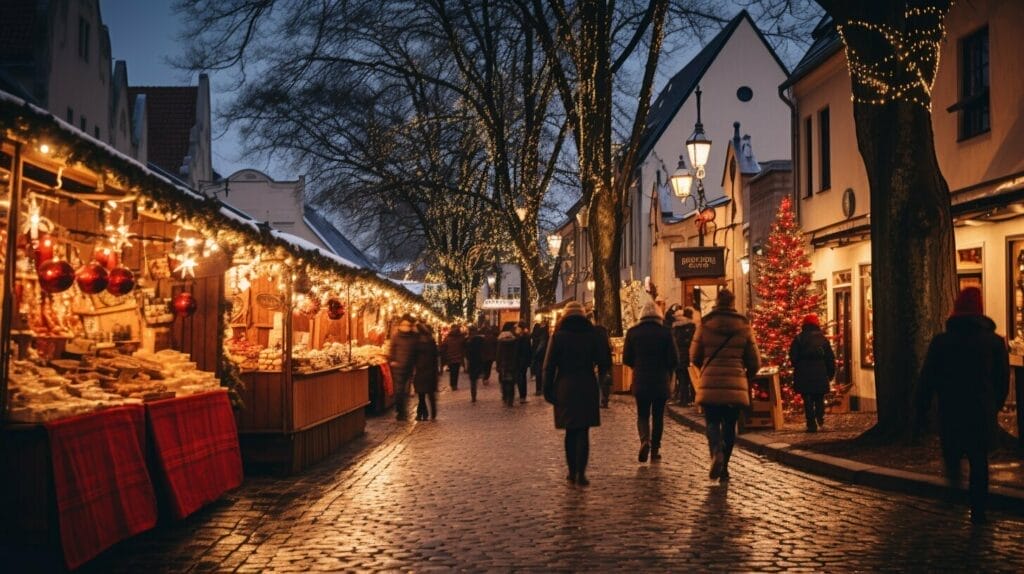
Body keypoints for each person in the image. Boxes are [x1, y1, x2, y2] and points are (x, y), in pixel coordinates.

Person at [915, 287, 1009, 524]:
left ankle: (953, 497)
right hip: (980, 410)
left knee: (953, 454)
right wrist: (993, 406)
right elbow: (1002, 381)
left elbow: (928, 378)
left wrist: (922, 408)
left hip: (951, 409)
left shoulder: (942, 341)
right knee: (979, 461)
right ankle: (979, 510)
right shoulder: (995, 343)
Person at [690, 289, 760, 482]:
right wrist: (746, 375)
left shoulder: (705, 323)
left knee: (712, 422)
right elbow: (754, 361)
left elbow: (694, 355)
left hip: (710, 382)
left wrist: (705, 368)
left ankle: (715, 452)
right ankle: (725, 467)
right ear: (733, 302)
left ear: (717, 302)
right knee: (729, 425)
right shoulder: (743, 325)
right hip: (735, 383)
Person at [544, 301, 611, 486]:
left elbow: (549, 367)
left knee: (570, 431)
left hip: (565, 386)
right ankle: (581, 473)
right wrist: (602, 377)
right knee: (583, 431)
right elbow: (604, 361)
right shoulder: (593, 335)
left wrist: (547, 390)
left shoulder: (558, 336)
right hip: (587, 385)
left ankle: (572, 472)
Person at [624, 301, 677, 462]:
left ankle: (644, 440)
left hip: (641, 378)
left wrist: (637, 366)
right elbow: (674, 358)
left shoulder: (633, 332)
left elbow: (627, 358)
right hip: (660, 379)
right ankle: (655, 450)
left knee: (642, 414)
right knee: (658, 416)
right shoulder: (665, 333)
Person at [789, 313, 836, 432]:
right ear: (816, 324)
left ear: (804, 324)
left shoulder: (799, 338)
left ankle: (811, 423)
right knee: (819, 398)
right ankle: (820, 419)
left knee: (807, 399)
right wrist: (830, 374)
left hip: (803, 373)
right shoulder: (823, 339)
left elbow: (793, 357)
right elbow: (830, 358)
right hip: (820, 373)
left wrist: (798, 366)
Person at [388, 315, 419, 421]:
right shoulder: (411, 336)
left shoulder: (399, 336)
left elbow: (392, 349)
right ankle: (401, 410)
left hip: (403, 366)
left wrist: (392, 360)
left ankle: (401, 410)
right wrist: (392, 360)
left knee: (401, 389)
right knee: (401, 389)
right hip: (401, 366)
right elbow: (392, 349)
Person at [412, 322, 440, 420]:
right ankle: (431, 413)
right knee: (430, 394)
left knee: (421, 395)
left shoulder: (416, 342)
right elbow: (435, 357)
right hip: (430, 371)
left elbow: (413, 357)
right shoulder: (431, 341)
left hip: (421, 371)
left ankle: (422, 414)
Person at [671, 307, 698, 405]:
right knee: (692, 378)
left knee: (682, 378)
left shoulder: (676, 327)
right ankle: (693, 398)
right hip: (689, 355)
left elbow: (674, 342)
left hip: (679, 355)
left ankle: (684, 399)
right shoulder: (692, 326)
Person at [587, 311, 614, 408]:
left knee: (595, 379)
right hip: (605, 357)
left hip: (595, 358)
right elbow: (610, 345)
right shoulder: (604, 330)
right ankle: (604, 400)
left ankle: (597, 400)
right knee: (604, 379)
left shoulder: (590, 331)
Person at [495, 322, 519, 407]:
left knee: (504, 381)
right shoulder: (515, 339)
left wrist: (498, 364)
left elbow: (498, 354)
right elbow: (517, 353)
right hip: (512, 363)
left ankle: (505, 396)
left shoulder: (500, 340)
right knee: (511, 382)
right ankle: (511, 399)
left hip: (503, 364)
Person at [439, 324, 467, 391]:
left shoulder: (448, 338)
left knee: (452, 371)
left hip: (450, 357)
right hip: (458, 357)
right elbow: (463, 346)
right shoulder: (460, 338)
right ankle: (455, 385)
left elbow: (443, 346)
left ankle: (452, 384)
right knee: (456, 371)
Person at [464, 326, 486, 402]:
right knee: (473, 381)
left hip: (473, 362)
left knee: (473, 381)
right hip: (478, 361)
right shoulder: (480, 339)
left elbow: (466, 353)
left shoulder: (468, 341)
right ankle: (473, 395)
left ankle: (473, 396)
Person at [530, 319, 550, 395]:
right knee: (542, 372)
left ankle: (539, 389)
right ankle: (541, 388)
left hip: (537, 355)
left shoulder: (536, 334)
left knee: (539, 372)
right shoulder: (544, 333)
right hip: (543, 355)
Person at [515, 321, 533, 403]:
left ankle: (522, 395)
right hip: (523, 360)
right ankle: (523, 395)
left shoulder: (522, 337)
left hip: (520, 360)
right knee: (522, 377)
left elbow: (522, 350)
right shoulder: (525, 336)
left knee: (520, 378)